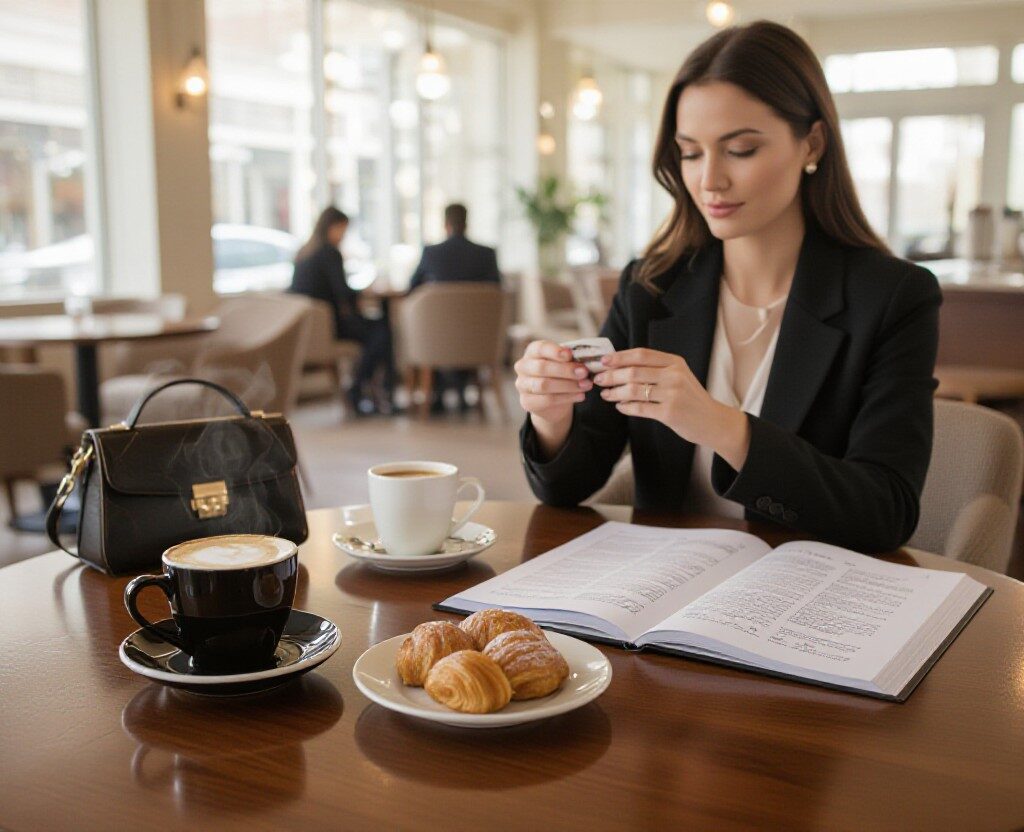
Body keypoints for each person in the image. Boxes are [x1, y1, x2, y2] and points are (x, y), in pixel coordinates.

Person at [514, 21, 941, 554]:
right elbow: (565, 489)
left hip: (810, 590)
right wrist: (551, 417)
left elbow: (886, 512)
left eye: (740, 149)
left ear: (812, 143)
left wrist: (724, 428)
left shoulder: (893, 297)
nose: (709, 180)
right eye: (691, 153)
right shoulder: (650, 287)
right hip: (664, 589)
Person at [290, 207, 396, 415]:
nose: (343, 235)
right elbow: (343, 292)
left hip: (310, 330)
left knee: (376, 329)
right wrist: (365, 292)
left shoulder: (304, 252)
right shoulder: (329, 253)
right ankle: (363, 388)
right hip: (331, 327)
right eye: (343, 230)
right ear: (333, 227)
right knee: (382, 331)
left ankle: (365, 391)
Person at [408, 203, 502, 411]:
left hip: (437, 342)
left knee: (436, 330)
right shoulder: (486, 254)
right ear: (467, 223)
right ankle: (459, 389)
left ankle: (439, 394)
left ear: (445, 224)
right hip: (479, 341)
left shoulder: (431, 253)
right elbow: (499, 291)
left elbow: (412, 287)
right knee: (465, 331)